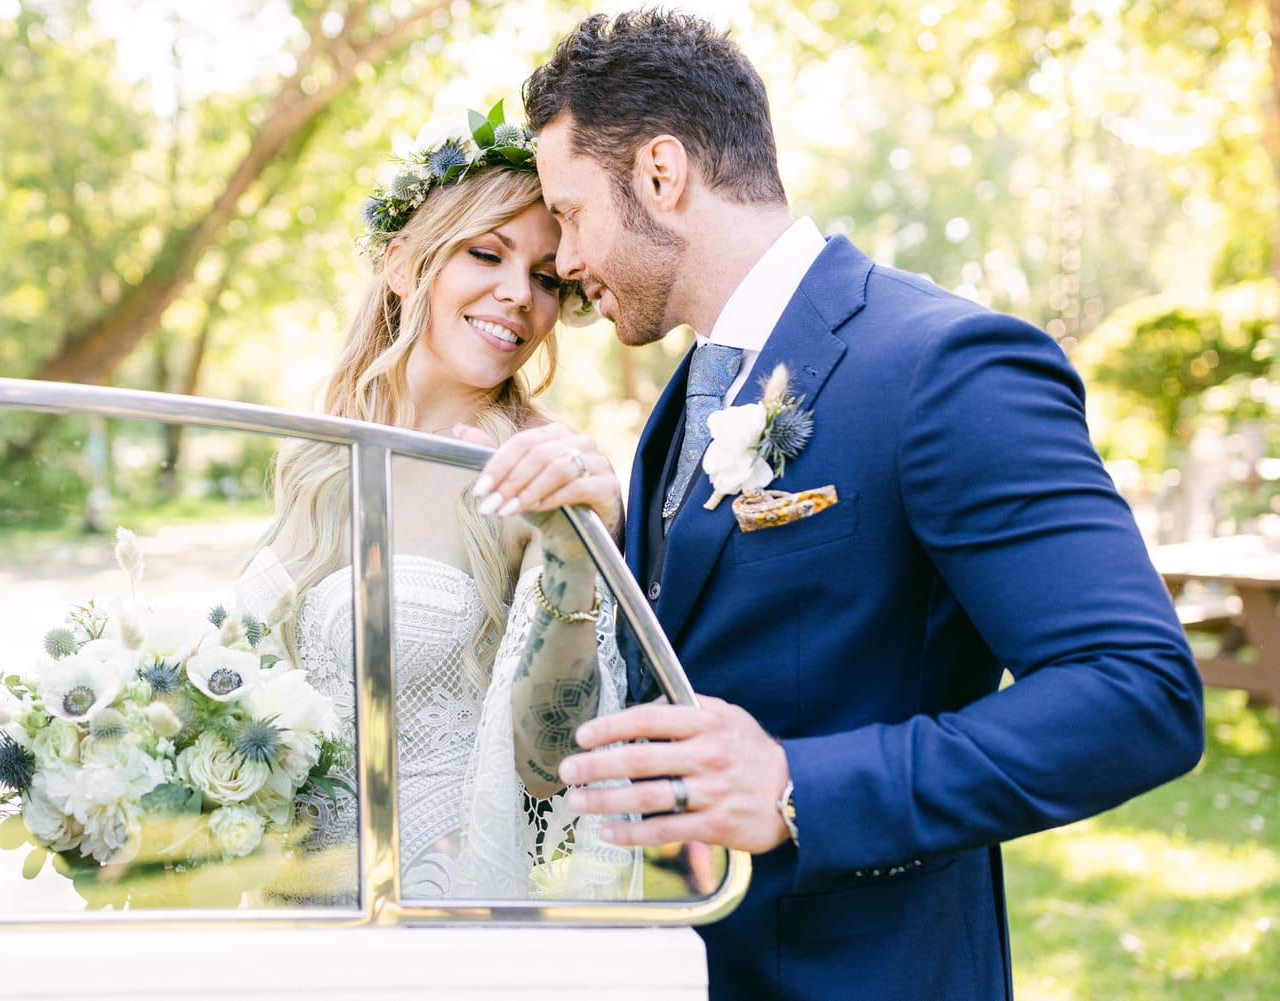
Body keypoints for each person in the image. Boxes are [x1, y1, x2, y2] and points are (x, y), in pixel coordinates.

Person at [473, 10, 1205, 998]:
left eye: (566, 213)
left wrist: (794, 788)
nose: (559, 259)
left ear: (661, 173)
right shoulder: (688, 397)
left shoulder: (943, 365)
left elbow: (1140, 690)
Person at [238, 107, 636, 902]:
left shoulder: (535, 468)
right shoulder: (319, 453)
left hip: (439, 912)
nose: (518, 294)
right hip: (292, 909)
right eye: (486, 253)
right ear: (401, 265)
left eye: (548, 277)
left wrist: (570, 552)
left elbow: (550, 761)